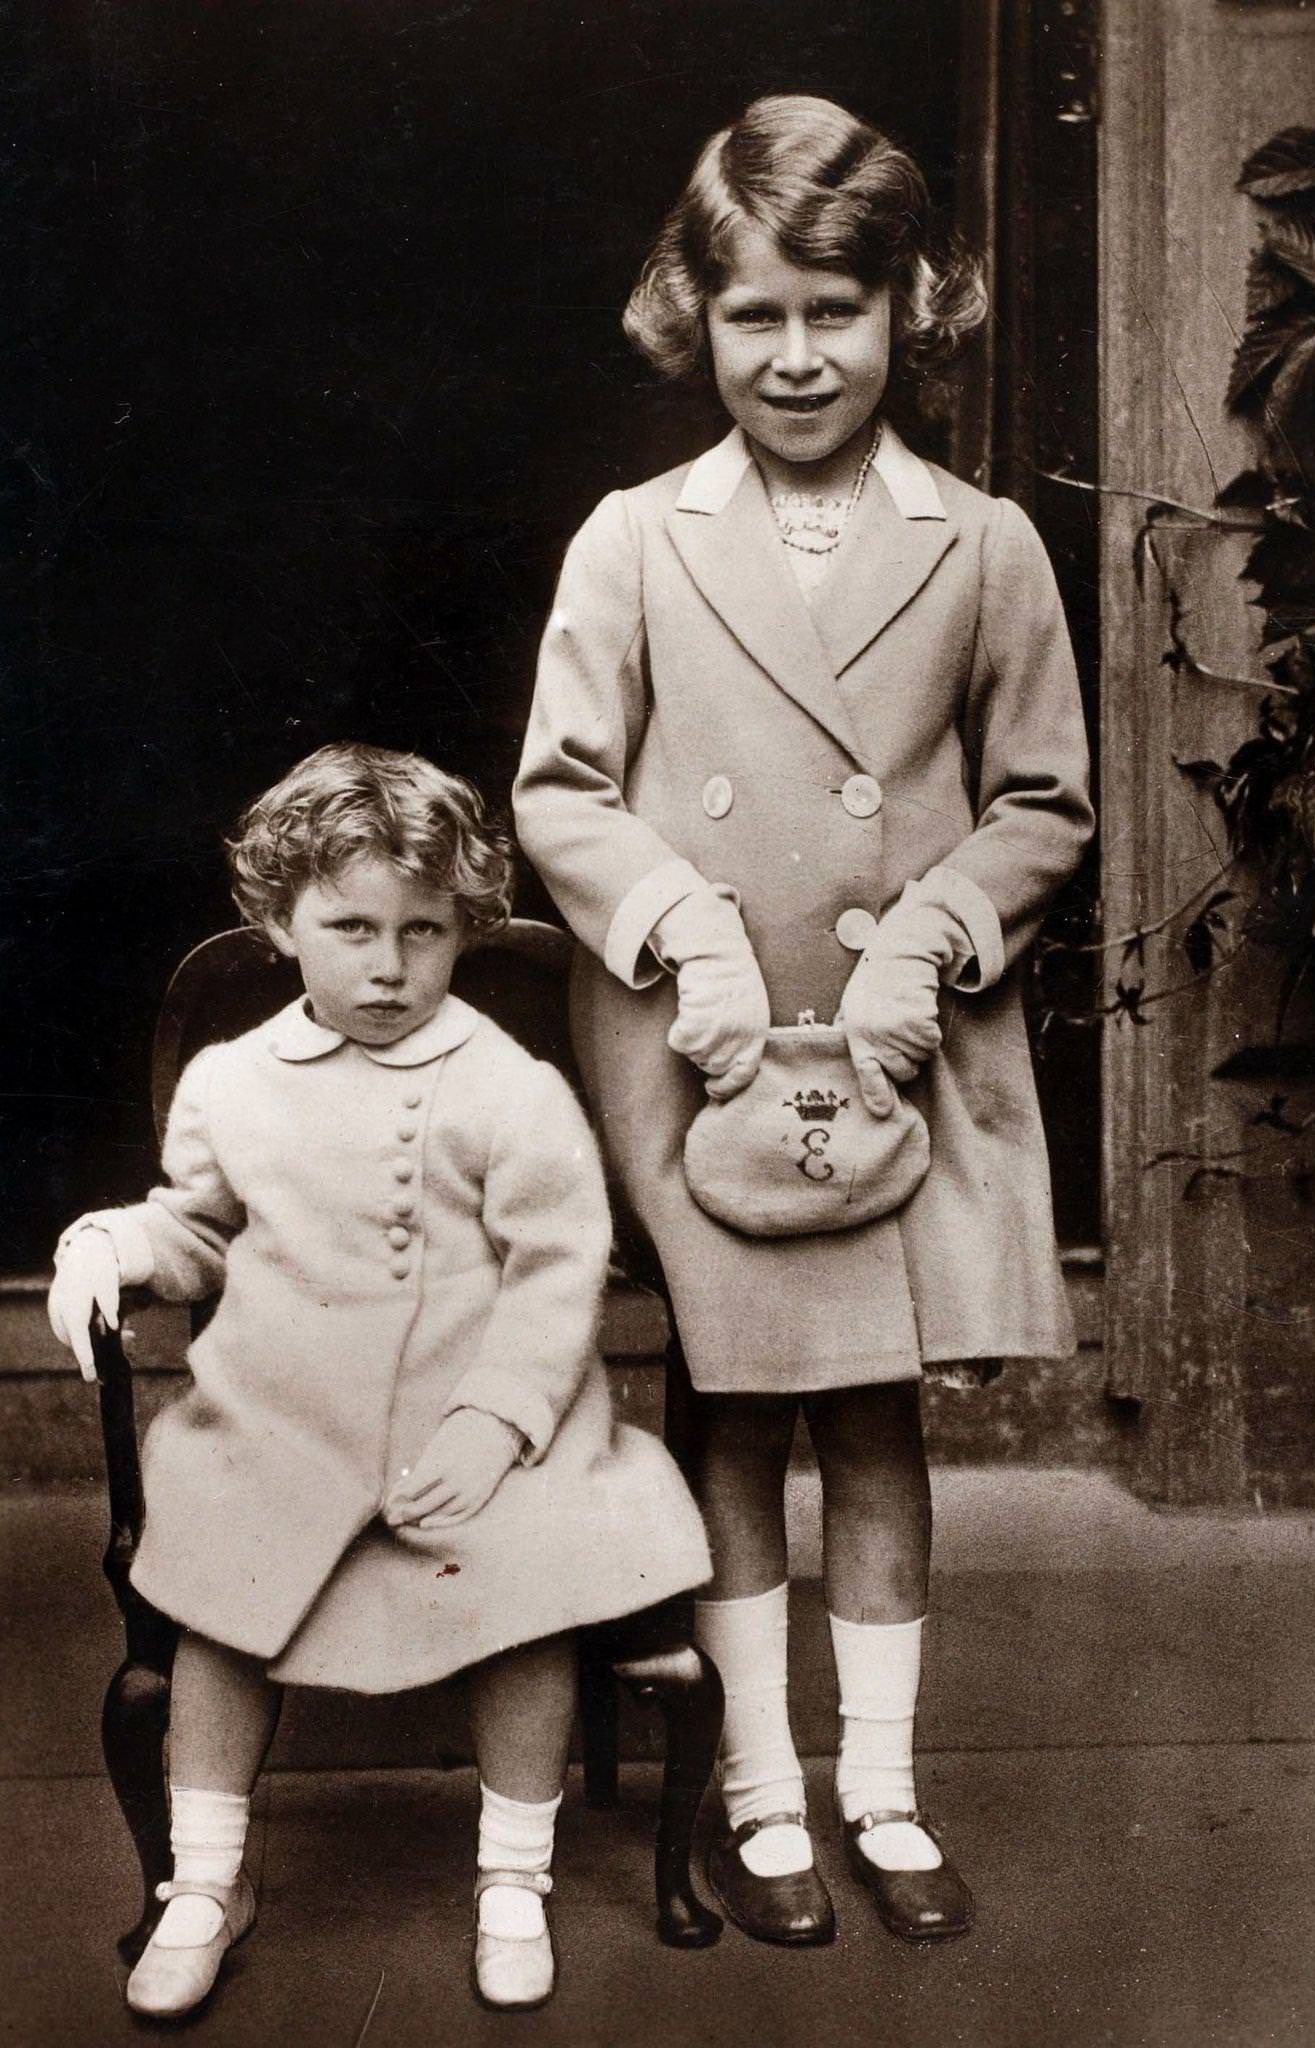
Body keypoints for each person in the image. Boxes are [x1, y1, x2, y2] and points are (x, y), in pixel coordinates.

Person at [514, 94, 1093, 1948]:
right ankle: (765, 1792)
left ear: (908, 306)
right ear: (697, 310)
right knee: (743, 1411)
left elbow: (1045, 802)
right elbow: (562, 789)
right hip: (709, 1043)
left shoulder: (987, 542)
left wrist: (939, 928)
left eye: (832, 311)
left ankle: (886, 1794)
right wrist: (676, 922)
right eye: (754, 313)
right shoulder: (635, 539)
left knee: (877, 1422)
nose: (794, 354)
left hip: (898, 1037)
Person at [47, 743, 711, 2016]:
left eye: (424, 930)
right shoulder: (233, 1081)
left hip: (487, 1415)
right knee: (223, 1594)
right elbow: (198, 1230)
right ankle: (204, 1877)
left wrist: (496, 1419)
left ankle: (512, 1875)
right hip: (287, 1409)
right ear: (279, 920)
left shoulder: (510, 1089)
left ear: (465, 929)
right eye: (348, 926)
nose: (388, 964)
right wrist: (116, 1241)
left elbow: (558, 1267)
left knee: (527, 1584)